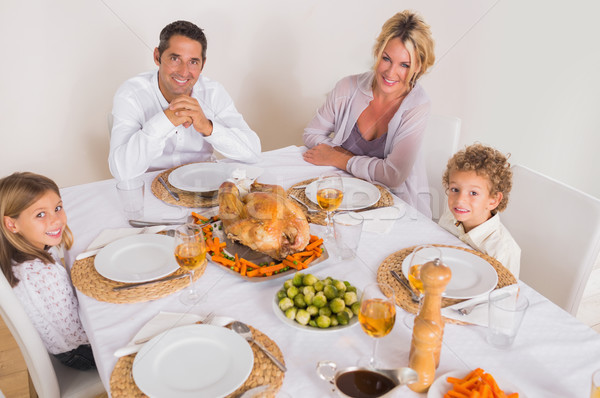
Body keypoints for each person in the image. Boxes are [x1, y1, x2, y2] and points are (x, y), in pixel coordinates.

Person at [303, 11, 435, 217]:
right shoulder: (347, 87)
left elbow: (393, 175)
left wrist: (339, 158)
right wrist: (348, 160)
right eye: (386, 59)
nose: (391, 73)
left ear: (418, 66)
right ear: (378, 52)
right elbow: (311, 133)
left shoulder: (417, 105)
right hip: (346, 196)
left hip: (397, 207)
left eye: (404, 65)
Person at [108, 20, 261, 181]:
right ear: (157, 56)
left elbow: (253, 153)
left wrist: (208, 127)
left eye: (193, 62)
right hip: (150, 190)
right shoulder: (131, 93)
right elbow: (121, 170)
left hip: (204, 186)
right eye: (175, 59)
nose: (183, 72)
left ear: (202, 65)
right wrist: (166, 120)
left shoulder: (213, 92)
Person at [0, 172, 95, 370]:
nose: (56, 220)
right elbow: (80, 334)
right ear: (11, 224)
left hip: (66, 348)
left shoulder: (20, 254)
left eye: (57, 208)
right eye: (40, 214)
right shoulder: (42, 273)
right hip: (80, 352)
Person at [439, 143, 521, 277]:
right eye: (455, 189)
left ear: (493, 200)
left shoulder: (503, 251)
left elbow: (506, 293)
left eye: (473, 193)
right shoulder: (448, 219)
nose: (460, 200)